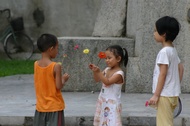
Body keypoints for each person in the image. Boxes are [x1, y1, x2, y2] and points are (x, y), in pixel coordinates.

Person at [148, 16, 184, 126]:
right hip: (172, 95)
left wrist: (156, 95)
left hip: (164, 95)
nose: (153, 33)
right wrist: (174, 85)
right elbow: (181, 68)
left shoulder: (163, 52)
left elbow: (162, 74)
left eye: (155, 30)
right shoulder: (173, 50)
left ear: (163, 34)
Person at [33, 33, 70, 126]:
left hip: (40, 107)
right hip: (54, 107)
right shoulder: (56, 66)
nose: (57, 51)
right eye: (57, 48)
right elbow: (58, 86)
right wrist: (64, 79)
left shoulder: (36, 64)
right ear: (51, 49)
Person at [89, 45, 128, 126]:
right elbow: (97, 79)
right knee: (103, 122)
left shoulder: (119, 74)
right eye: (106, 58)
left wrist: (99, 72)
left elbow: (107, 82)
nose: (107, 60)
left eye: (109, 58)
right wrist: (95, 71)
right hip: (103, 101)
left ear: (118, 59)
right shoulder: (107, 70)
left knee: (111, 122)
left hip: (112, 103)